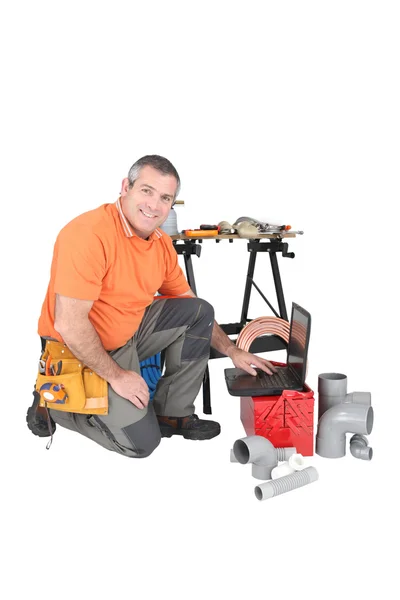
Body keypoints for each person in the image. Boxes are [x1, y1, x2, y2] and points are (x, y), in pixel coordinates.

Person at [28, 155, 276, 458]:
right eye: (146, 191)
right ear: (125, 187)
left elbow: (189, 305)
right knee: (141, 443)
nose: (154, 205)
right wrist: (118, 376)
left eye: (165, 198)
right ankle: (55, 404)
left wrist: (232, 350)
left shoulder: (159, 243)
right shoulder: (88, 234)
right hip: (78, 349)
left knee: (198, 311)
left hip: (129, 333)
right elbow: (70, 324)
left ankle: (172, 413)